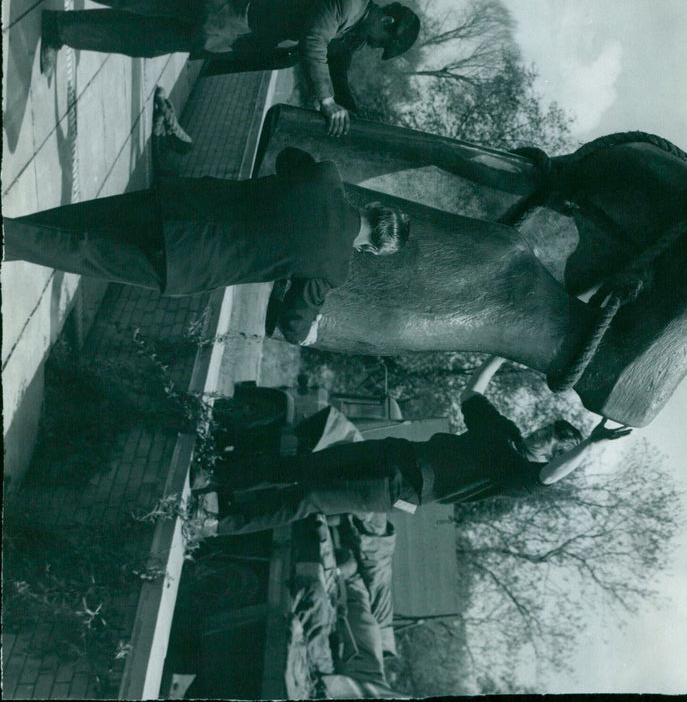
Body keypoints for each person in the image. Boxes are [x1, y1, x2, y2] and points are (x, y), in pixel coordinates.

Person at [2, 147, 411, 344]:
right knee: (80, 252)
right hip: (188, 262)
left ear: (374, 206)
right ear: (372, 249)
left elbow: (287, 157)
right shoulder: (333, 268)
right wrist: (310, 332)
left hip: (182, 203)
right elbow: (293, 326)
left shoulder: (327, 177)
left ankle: (10, 236)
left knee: (77, 222)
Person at [196, 357, 632, 534]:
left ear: (555, 454)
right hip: (396, 453)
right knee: (300, 467)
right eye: (543, 430)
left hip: (400, 491)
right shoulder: (503, 433)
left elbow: (549, 478)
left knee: (309, 497)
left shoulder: (518, 477)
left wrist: (592, 444)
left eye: (548, 442)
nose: (538, 436)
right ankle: (214, 479)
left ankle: (217, 522)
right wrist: (497, 357)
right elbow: (469, 396)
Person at [27, 0, 419, 137]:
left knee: (144, 39)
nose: (373, 46)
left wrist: (357, 116)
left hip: (225, 32)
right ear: (388, 20)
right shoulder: (346, 1)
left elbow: (337, 67)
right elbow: (314, 41)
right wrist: (326, 101)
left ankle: (61, 29)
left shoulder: (351, 34)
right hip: (223, 0)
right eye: (382, 42)